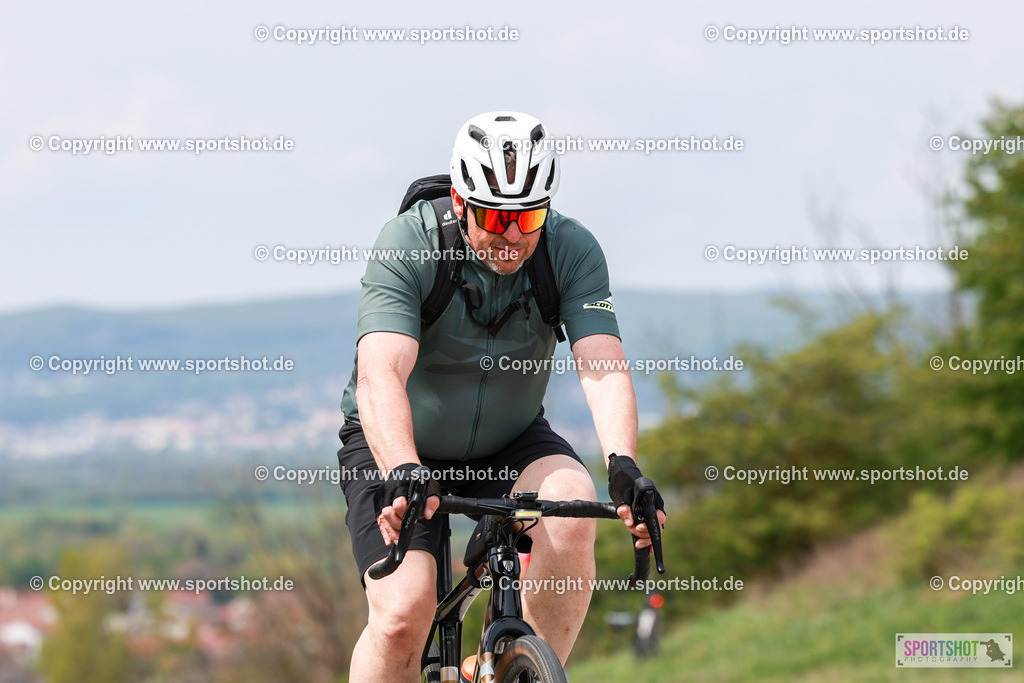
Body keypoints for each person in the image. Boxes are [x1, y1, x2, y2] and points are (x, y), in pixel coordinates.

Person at [336, 111, 666, 681]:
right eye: (493, 216)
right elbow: (379, 374)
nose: (512, 236)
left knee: (570, 507)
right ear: (461, 203)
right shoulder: (409, 242)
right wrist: (402, 466)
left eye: (528, 216)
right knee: (401, 615)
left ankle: (515, 670)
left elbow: (603, 364)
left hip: (510, 440)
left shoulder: (570, 249)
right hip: (399, 447)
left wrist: (625, 463)